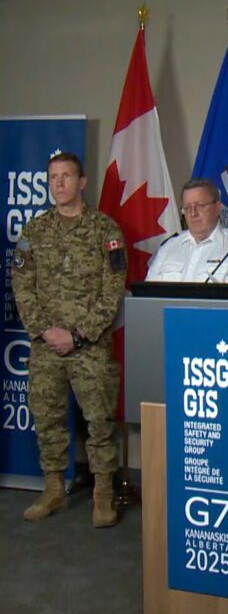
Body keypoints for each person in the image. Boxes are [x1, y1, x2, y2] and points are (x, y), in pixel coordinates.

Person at [12, 152, 126, 528]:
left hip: (90, 346)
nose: (59, 184)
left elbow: (113, 291)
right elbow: (22, 286)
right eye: (53, 178)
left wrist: (77, 335)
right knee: (47, 418)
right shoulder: (34, 231)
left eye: (66, 176)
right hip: (46, 346)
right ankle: (53, 488)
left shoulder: (105, 230)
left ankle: (103, 494)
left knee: (99, 421)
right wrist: (46, 331)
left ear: (82, 182)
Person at [146, 178, 228, 283]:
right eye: (187, 208)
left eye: (200, 205)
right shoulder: (168, 247)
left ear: (218, 208)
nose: (193, 213)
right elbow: (148, 291)